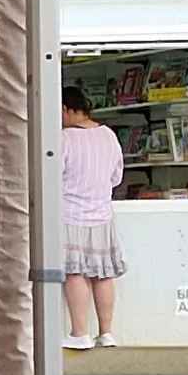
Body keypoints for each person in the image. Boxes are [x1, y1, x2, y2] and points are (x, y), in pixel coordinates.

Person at [60, 86, 127, 349]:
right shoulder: (108, 135)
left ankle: (79, 333)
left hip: (69, 215)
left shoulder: (64, 139)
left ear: (66, 109)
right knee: (103, 274)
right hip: (101, 214)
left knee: (74, 272)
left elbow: (52, 174)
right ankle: (106, 333)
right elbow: (116, 176)